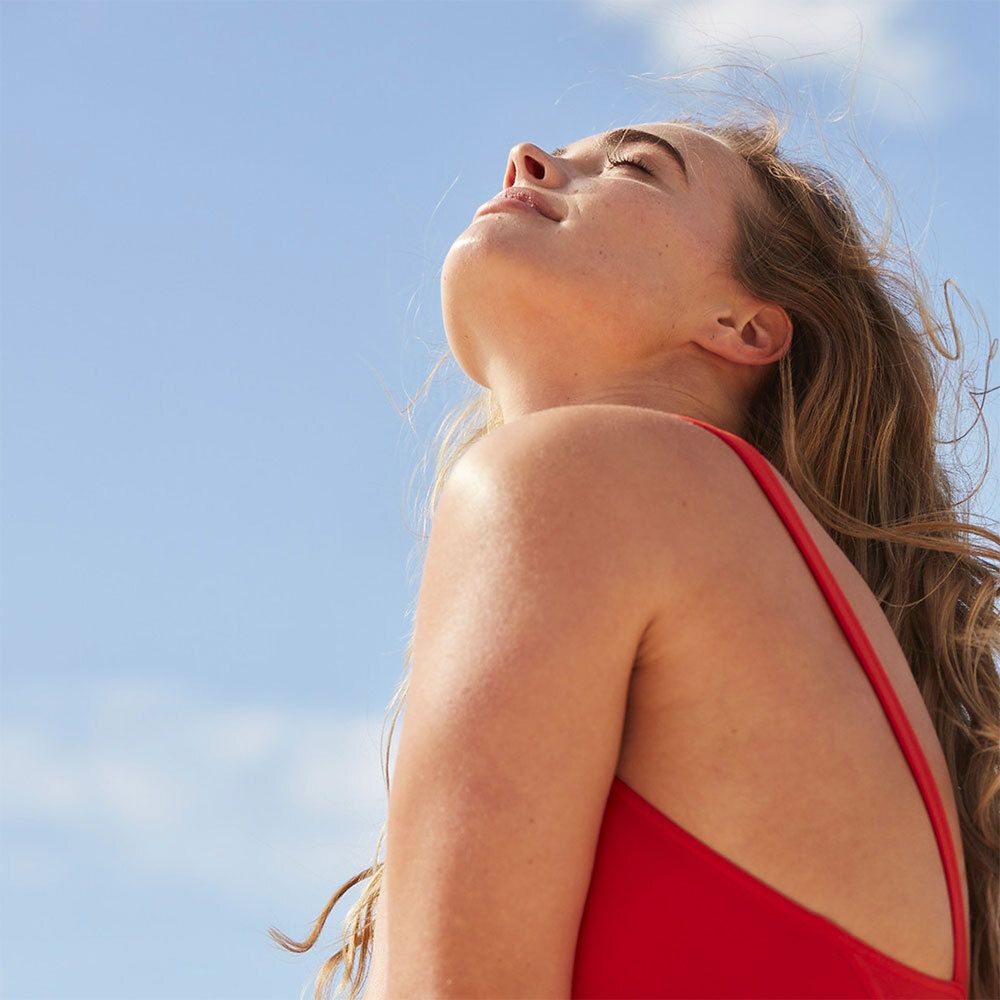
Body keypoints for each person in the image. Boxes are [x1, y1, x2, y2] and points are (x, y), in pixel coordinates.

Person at [271, 112, 999, 1000]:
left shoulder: (582, 475)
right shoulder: (846, 663)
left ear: (743, 325)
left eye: (634, 168)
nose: (527, 159)